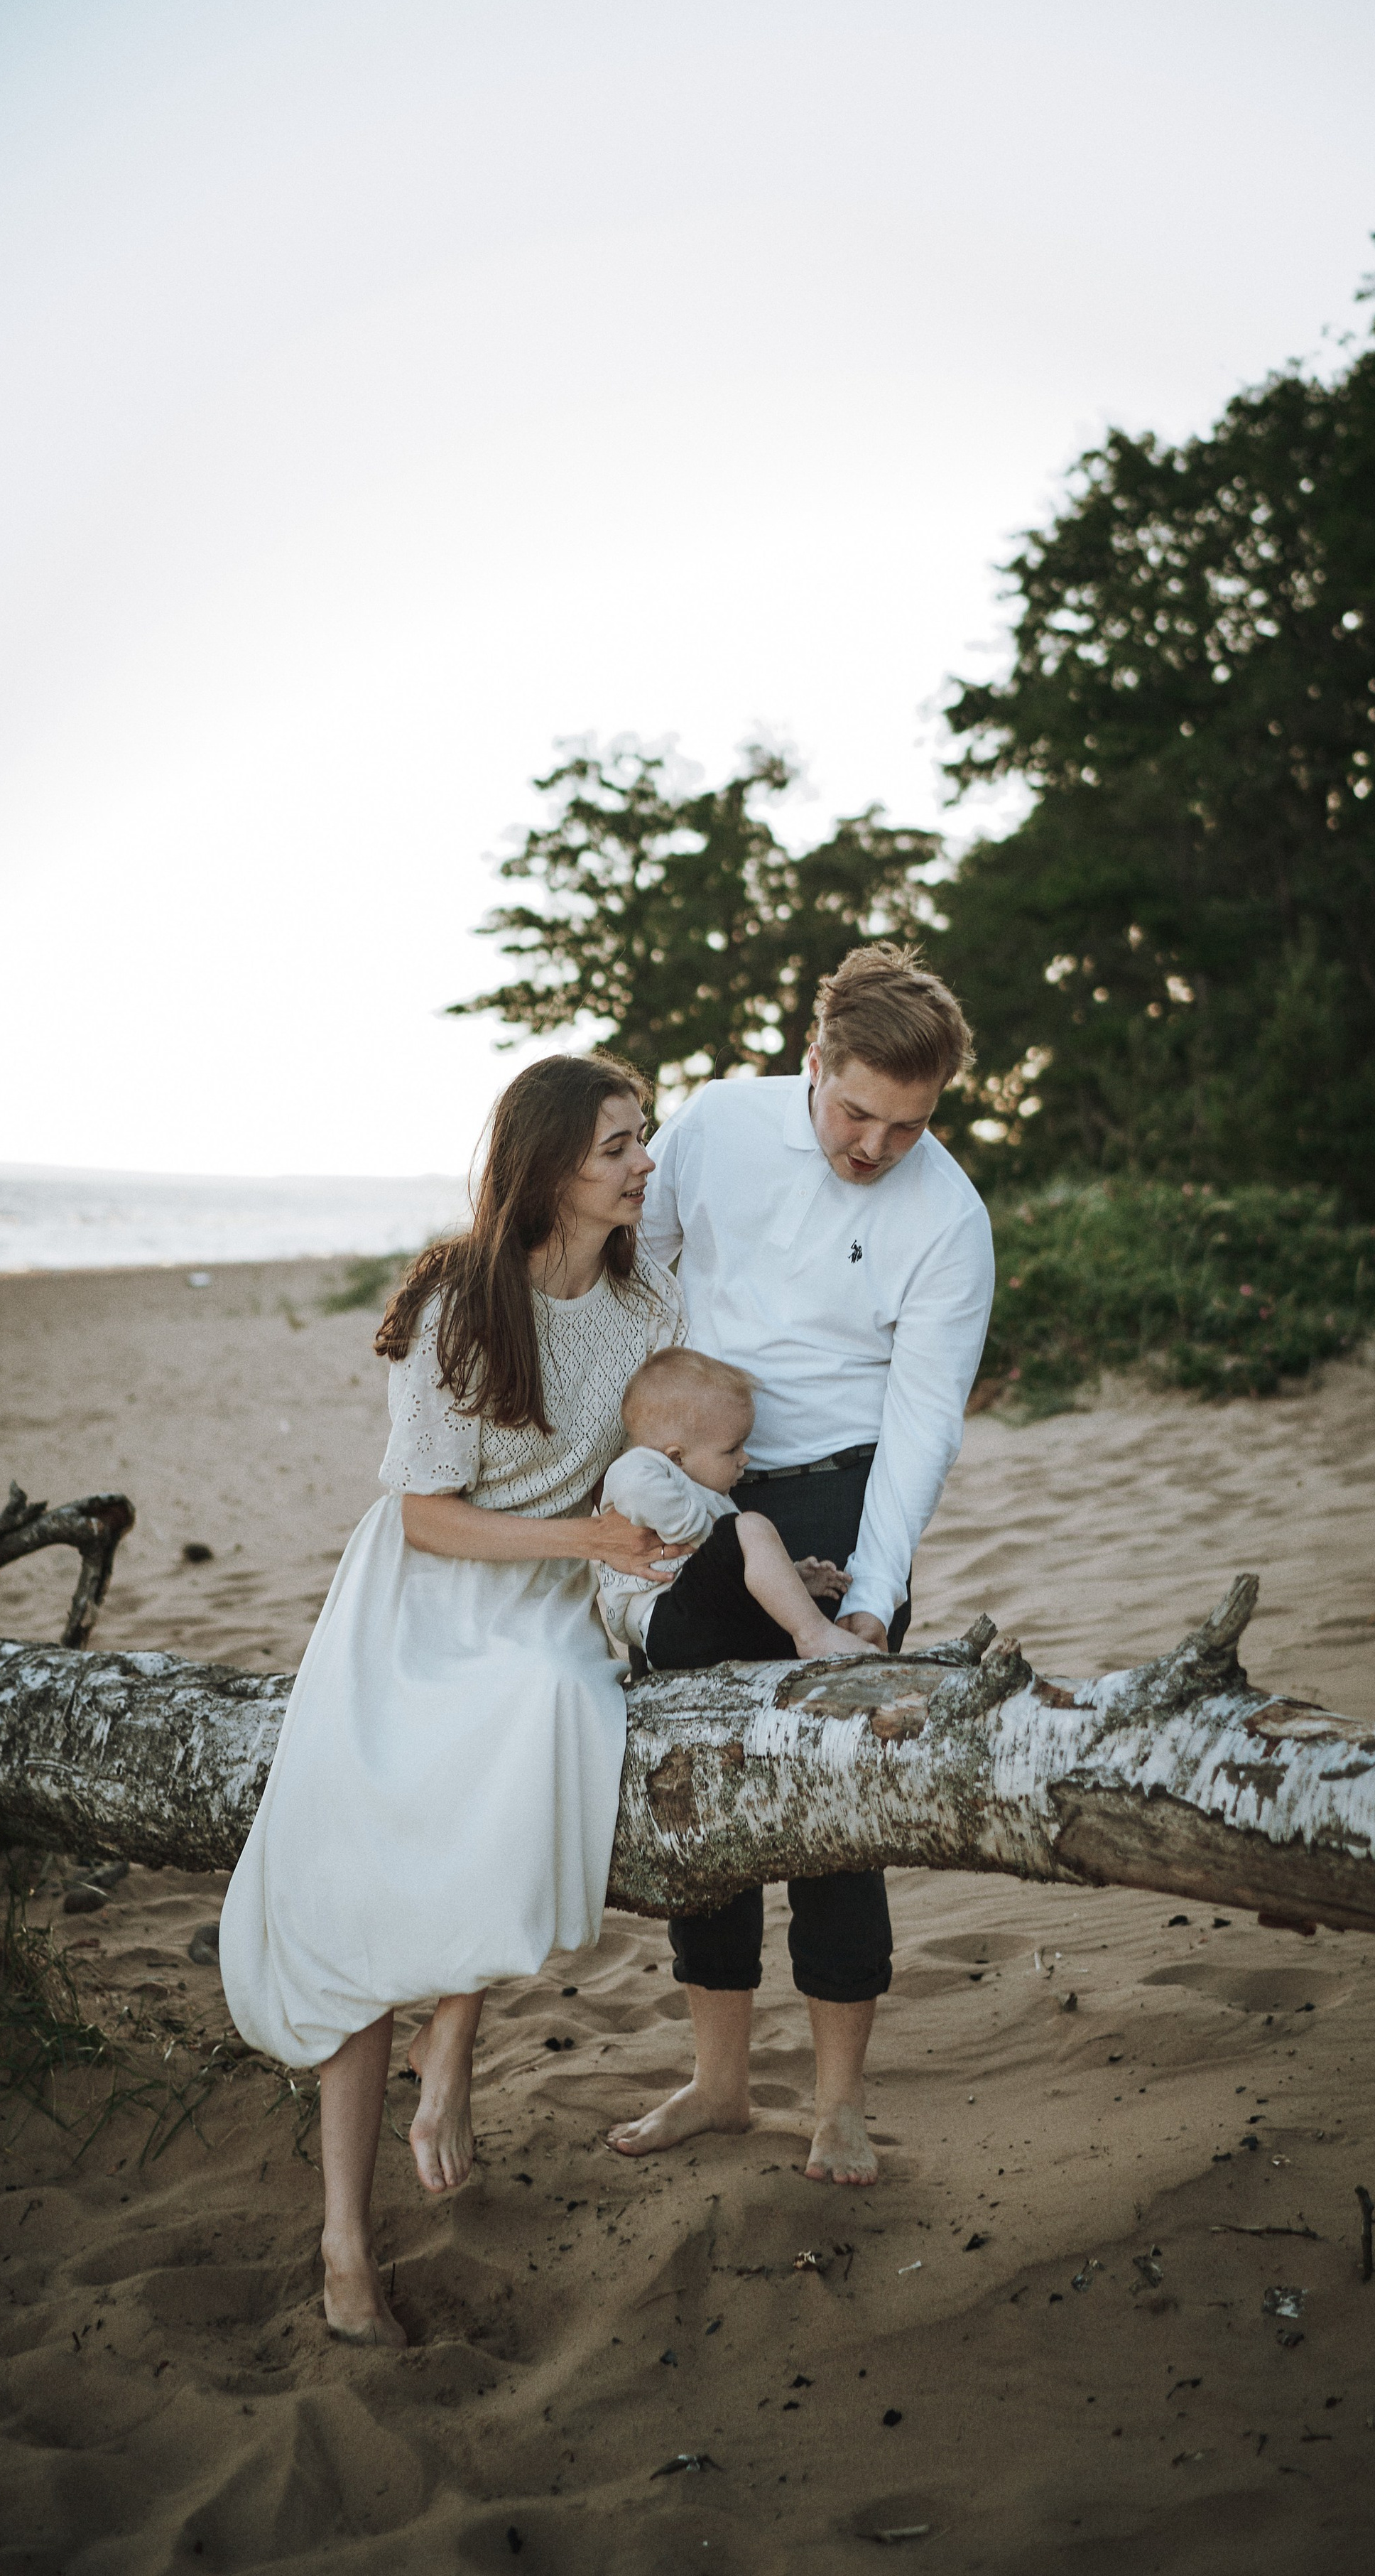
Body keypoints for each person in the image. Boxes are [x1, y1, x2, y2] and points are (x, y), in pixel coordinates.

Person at [219, 1053, 685, 2346]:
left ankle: (457, 2040)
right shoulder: (457, 1307)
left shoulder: (648, 1301)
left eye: (643, 1138)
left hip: (544, 1607)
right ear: (547, 1172)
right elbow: (424, 1518)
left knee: (547, 1699)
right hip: (425, 1598)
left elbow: (669, 1461)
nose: (645, 1162)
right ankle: (345, 2242)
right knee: (366, 1898)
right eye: (618, 1147)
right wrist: (582, 1543)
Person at [609, 944, 994, 2187]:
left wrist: (876, 1598)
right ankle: (720, 2083)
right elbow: (637, 1271)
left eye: (907, 1125)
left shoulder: (948, 1215)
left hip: (837, 1489)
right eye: (855, 1111)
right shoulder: (718, 1123)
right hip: (693, 1483)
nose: (874, 1146)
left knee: (835, 1804)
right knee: (697, 1784)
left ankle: (837, 2105)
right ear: (812, 1058)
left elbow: (926, 1419)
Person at [594, 1346, 873, 1669]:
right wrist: (700, 1529)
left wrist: (792, 1576)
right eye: (732, 1450)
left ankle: (814, 1635)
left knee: (775, 1626)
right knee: (750, 1528)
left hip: (704, 1623)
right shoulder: (643, 1465)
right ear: (676, 1457)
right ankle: (816, 1635)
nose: (745, 1458)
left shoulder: (707, 1492)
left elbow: (735, 1568)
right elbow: (632, 1486)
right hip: (667, 1619)